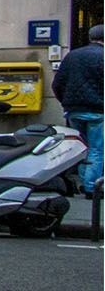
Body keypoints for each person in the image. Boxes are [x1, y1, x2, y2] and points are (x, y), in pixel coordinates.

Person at [53, 25, 103, 197]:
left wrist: (67, 103)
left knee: (81, 148)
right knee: (96, 149)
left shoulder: (72, 56)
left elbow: (57, 83)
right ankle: (92, 187)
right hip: (98, 111)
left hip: (74, 110)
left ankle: (84, 182)